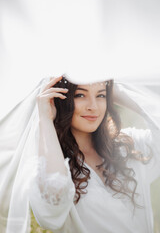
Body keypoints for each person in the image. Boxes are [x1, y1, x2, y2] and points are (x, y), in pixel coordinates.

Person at [0, 75, 159, 233]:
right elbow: (51, 212)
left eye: (101, 95)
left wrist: (117, 93)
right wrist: (45, 119)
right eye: (80, 95)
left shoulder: (129, 145)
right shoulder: (49, 164)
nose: (93, 106)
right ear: (60, 99)